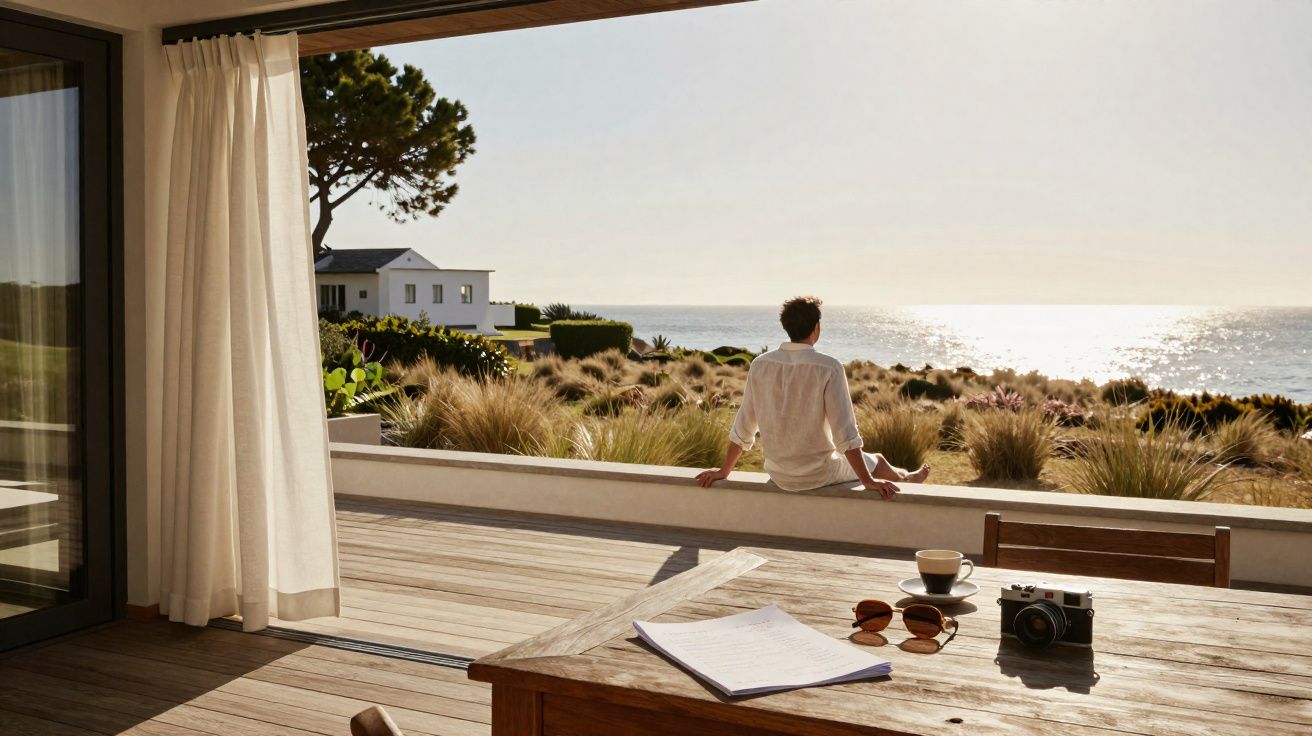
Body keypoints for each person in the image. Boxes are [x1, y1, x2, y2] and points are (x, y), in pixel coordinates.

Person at [695, 296, 930, 497]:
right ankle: (907, 479)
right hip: (818, 475)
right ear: (816, 327)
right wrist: (868, 481)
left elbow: (744, 425)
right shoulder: (828, 367)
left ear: (786, 327)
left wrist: (723, 471)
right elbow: (845, 435)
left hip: (779, 474)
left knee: (868, 459)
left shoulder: (760, 365)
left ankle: (907, 476)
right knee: (877, 459)